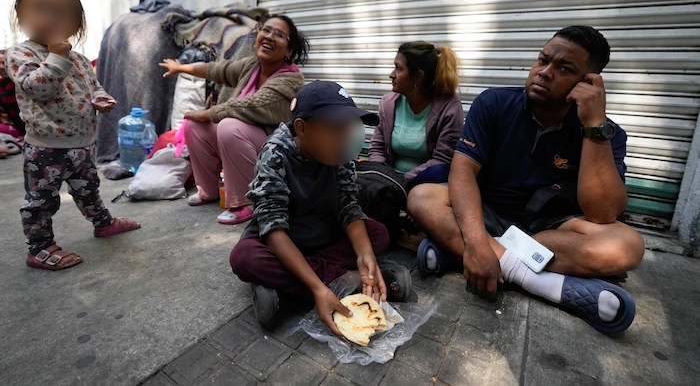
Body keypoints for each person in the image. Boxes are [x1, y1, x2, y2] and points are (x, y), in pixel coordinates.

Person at [408, 26, 645, 334]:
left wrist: (593, 126)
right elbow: (463, 171)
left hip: (553, 226)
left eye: (563, 68)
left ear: (589, 83)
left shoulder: (606, 133)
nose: (544, 72)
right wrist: (478, 240)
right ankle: (539, 282)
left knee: (627, 246)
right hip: (489, 214)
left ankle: (461, 254)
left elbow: (603, 214)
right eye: (542, 60)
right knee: (421, 196)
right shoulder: (493, 103)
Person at [229, 81, 413, 331]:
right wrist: (318, 287)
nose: (345, 137)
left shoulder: (340, 151)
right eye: (335, 128)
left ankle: (289, 290)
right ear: (302, 128)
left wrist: (365, 256)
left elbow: (349, 206)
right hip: (285, 237)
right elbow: (273, 228)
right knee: (245, 258)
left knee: (377, 234)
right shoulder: (275, 155)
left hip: (324, 231)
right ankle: (342, 284)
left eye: (348, 128)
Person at [5, 0, 140, 270]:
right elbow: (38, 87)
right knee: (42, 200)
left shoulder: (78, 59)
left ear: (78, 24)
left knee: (88, 188)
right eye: (42, 9)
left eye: (63, 13)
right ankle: (39, 248)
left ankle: (102, 223)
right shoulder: (21, 54)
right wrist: (56, 57)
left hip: (82, 143)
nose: (53, 18)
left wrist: (101, 98)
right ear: (19, 13)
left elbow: (93, 86)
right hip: (45, 147)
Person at [160, 14, 306, 225]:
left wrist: (208, 113)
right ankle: (208, 190)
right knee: (194, 125)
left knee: (228, 125)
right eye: (266, 30)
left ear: (289, 50)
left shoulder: (290, 80)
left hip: (276, 155)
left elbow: (251, 105)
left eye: (279, 35)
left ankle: (245, 202)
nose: (269, 36)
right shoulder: (252, 66)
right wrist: (180, 68)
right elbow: (216, 70)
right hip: (245, 143)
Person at [369, 41, 463, 184]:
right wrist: (380, 177)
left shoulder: (449, 108)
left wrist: (402, 180)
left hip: (427, 184)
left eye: (398, 68)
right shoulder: (387, 104)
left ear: (418, 77)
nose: (391, 75)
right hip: (388, 182)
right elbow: (377, 149)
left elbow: (441, 161)